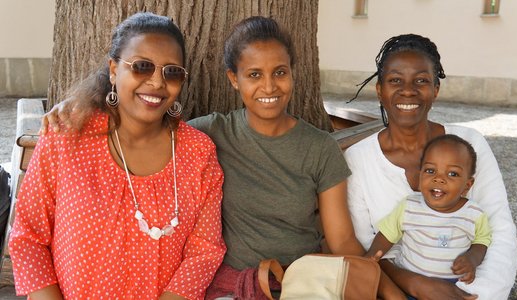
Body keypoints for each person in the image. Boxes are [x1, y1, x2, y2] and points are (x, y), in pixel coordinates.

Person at [41, 16, 405, 299]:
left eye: (280, 72)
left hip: (298, 283)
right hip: (228, 287)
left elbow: (342, 243)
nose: (268, 87)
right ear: (234, 79)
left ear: (294, 73)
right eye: (253, 75)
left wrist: (392, 293)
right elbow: (145, 114)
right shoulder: (209, 135)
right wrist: (81, 103)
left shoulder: (318, 148)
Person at [9, 12, 225, 300]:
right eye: (142, 67)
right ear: (113, 69)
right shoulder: (68, 136)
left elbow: (204, 252)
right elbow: (28, 237)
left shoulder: (198, 152)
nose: (157, 82)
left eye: (172, 72)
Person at [345, 34, 517, 299]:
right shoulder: (358, 159)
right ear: (379, 90)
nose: (408, 90)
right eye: (395, 80)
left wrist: (477, 293)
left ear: (436, 89)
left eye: (421, 80)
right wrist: (415, 284)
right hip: (395, 290)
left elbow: (498, 229)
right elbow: (367, 245)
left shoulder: (469, 144)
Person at [366, 134, 491, 285]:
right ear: (420, 176)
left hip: (451, 285)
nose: (438, 178)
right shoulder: (409, 206)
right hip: (408, 280)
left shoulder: (473, 213)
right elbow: (387, 233)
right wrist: (373, 255)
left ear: (467, 185)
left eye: (452, 174)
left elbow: (482, 240)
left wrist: (472, 259)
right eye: (430, 171)